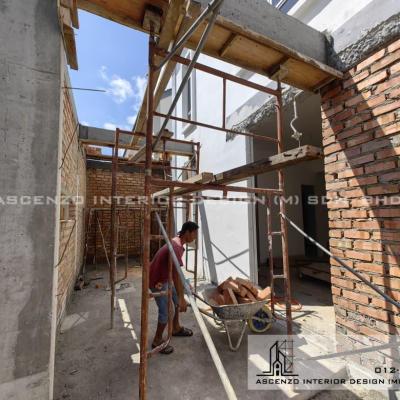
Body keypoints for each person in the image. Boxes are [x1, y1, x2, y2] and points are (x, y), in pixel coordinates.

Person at [149, 221, 199, 355]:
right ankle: (157, 340)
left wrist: (185, 284)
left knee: (176, 299)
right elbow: (176, 275)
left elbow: (176, 271)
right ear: (187, 232)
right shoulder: (176, 247)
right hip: (157, 280)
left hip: (165, 277)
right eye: (194, 234)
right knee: (166, 310)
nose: (195, 237)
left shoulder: (178, 242)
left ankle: (176, 328)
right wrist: (182, 298)